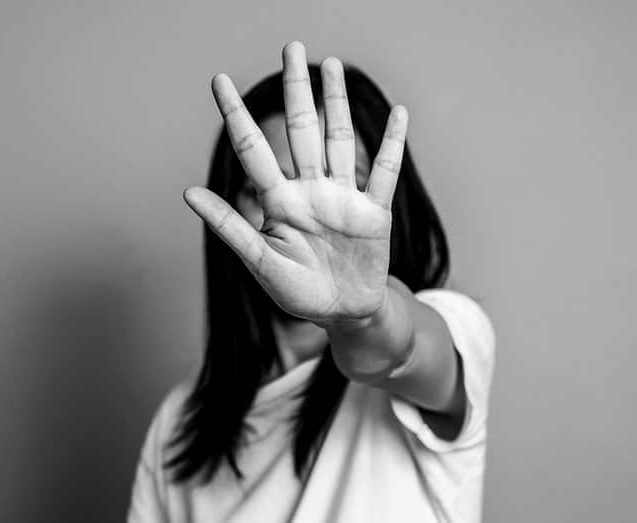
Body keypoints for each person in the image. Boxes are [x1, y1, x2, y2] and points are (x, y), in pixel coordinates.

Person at [126, 42, 496, 522]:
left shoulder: (455, 327)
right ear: (232, 207)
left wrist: (358, 314)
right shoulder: (178, 423)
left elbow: (400, 349)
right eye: (272, 188)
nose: (308, 220)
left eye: (346, 185)